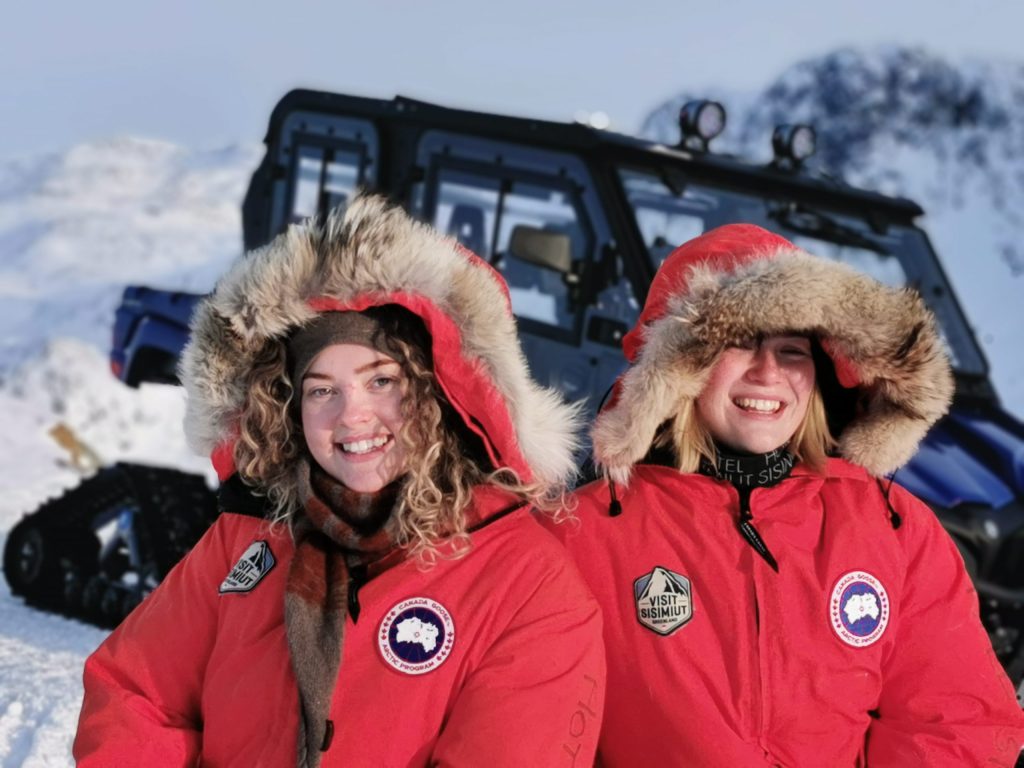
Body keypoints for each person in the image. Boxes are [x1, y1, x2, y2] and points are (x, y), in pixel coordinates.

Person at [74, 195, 605, 767]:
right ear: (288, 409)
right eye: (322, 389)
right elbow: (136, 692)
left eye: (382, 381)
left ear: (438, 394)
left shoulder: (527, 584)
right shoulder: (247, 541)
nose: (351, 415)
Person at [555, 223, 1024, 766]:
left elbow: (955, 720)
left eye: (792, 350)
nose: (768, 372)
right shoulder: (584, 534)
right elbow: (542, 732)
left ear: (820, 374)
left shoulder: (896, 530)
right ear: (680, 366)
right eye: (739, 343)